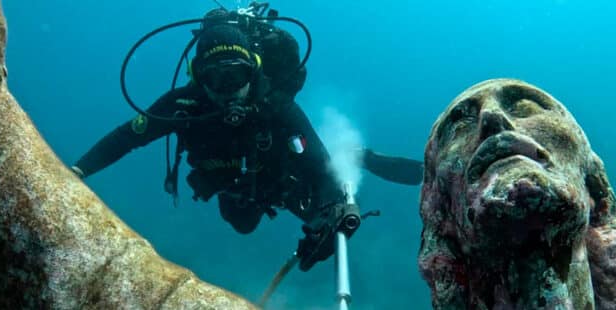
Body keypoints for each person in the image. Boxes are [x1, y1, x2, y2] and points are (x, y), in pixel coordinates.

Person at [71, 13, 421, 271]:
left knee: (322, 212)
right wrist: (79, 169)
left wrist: (331, 216)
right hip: (234, 186)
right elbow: (124, 138)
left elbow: (319, 171)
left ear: (252, 72)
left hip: (283, 179)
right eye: (215, 78)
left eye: (235, 76)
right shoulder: (182, 106)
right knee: (242, 224)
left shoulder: (276, 107)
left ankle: (351, 155)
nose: (226, 90)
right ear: (198, 78)